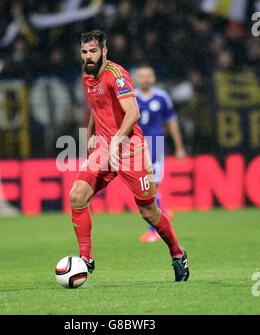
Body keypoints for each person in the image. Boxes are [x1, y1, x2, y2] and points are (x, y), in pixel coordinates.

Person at [69, 29, 189, 281]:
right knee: (77, 195)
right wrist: (90, 134)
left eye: (93, 51)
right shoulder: (87, 77)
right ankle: (85, 259)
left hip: (130, 150)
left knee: (149, 212)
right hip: (105, 149)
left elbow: (133, 113)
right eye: (84, 52)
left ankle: (178, 254)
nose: (88, 56)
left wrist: (115, 142)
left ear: (104, 51)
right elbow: (96, 108)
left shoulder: (118, 76)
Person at [135, 64, 186, 242]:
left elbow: (172, 122)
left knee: (152, 186)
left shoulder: (162, 97)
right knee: (141, 188)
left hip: (155, 145)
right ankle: (162, 212)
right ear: (137, 79)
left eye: (148, 75)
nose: (145, 79)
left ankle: (154, 229)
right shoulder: (131, 97)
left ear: (154, 78)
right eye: (142, 76)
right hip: (136, 146)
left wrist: (179, 147)